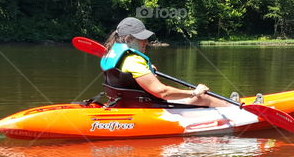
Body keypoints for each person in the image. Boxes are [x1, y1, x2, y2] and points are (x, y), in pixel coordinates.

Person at [98, 17, 229, 108]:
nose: (146, 42)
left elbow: (126, 77)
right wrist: (194, 92)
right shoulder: (134, 60)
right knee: (202, 98)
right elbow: (163, 92)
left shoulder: (110, 54)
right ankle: (233, 109)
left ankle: (228, 104)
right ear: (128, 39)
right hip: (147, 107)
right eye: (142, 39)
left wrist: (147, 71)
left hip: (126, 103)